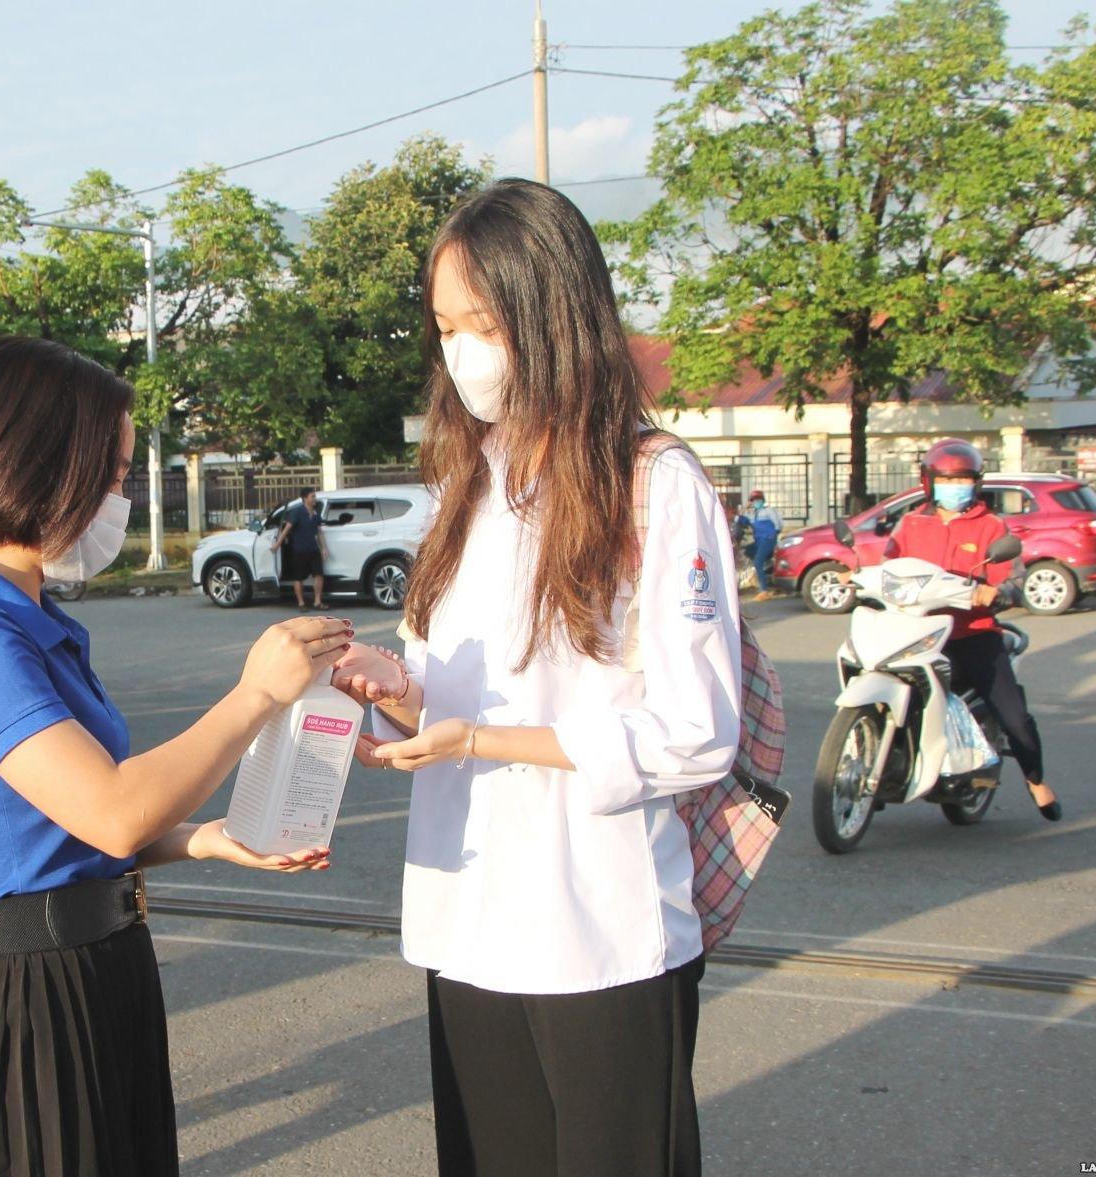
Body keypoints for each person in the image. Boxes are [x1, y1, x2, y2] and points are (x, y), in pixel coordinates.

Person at [332, 180, 742, 1177]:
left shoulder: (652, 483)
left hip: (597, 926)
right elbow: (446, 687)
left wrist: (481, 740)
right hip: (468, 918)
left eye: (484, 324)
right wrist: (388, 685)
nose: (462, 352)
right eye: (445, 328)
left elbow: (694, 732)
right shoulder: (466, 483)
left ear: (552, 314)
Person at [0, 336, 352, 1176]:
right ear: (39, 464)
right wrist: (255, 693)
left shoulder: (29, 620)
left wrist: (203, 838)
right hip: (32, 995)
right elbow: (111, 808)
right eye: (111, 475)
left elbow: (65, 830)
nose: (120, 499)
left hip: (97, 967)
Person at [872, 437, 1060, 821]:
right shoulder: (910, 524)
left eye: (963, 479)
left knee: (1014, 717)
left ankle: (1036, 780)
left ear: (976, 483)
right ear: (929, 481)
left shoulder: (990, 526)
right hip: (919, 633)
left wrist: (997, 592)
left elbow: (1013, 579)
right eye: (946, 479)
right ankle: (874, 768)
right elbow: (889, 568)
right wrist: (861, 578)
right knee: (881, 690)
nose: (955, 486)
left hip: (972, 634)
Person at [273, 489, 328, 610]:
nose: (314, 499)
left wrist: (324, 548)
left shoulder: (315, 513)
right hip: (299, 550)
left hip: (313, 549)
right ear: (305, 498)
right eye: (312, 496)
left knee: (319, 575)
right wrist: (277, 544)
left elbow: (319, 532)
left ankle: (317, 601)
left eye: (314, 496)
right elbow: (287, 529)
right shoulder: (297, 512)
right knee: (299, 578)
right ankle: (301, 603)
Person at [737, 489, 783, 601]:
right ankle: (765, 572)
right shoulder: (752, 514)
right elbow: (739, 520)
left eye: (758, 499)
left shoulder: (769, 511)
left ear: (762, 500)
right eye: (754, 500)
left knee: (758, 562)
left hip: (768, 540)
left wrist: (772, 535)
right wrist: (745, 507)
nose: (756, 502)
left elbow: (778, 525)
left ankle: (764, 591)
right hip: (758, 542)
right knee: (746, 551)